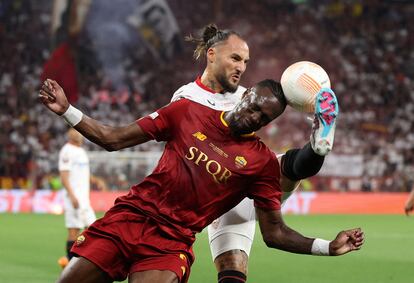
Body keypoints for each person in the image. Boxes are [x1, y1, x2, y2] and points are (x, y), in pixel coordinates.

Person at [39, 76, 363, 283]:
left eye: (263, 118)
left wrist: (327, 247)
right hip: (129, 218)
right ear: (245, 94)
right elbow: (112, 138)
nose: (253, 117)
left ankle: (317, 146)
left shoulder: (260, 161)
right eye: (253, 107)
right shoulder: (187, 110)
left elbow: (274, 233)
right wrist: (68, 110)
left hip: (171, 241)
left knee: (290, 169)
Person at [173, 24, 337, 282]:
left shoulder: (247, 96)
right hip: (211, 190)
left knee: (281, 167)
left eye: (245, 62)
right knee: (226, 268)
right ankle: (315, 148)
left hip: (245, 183)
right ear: (212, 54)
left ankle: (318, 145)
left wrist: (308, 94)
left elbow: (278, 96)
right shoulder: (185, 97)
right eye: (235, 58)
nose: (241, 67)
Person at [58, 128, 107, 268]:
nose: (80, 136)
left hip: (84, 199)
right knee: (74, 230)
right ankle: (70, 263)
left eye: (80, 134)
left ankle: (83, 260)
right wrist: (72, 195)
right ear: (70, 136)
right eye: (76, 134)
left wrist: (95, 180)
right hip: (74, 198)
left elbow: (83, 172)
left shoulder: (81, 151)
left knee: (93, 229)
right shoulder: (66, 151)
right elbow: (64, 176)